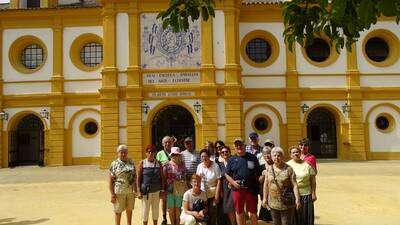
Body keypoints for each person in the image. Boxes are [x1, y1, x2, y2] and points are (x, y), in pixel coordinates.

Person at [225, 138, 261, 225]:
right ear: (234, 147)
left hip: (251, 189)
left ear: (245, 146)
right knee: (239, 211)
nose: (238, 146)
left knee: (253, 212)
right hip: (237, 190)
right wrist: (233, 183)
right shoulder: (231, 159)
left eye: (240, 144)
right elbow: (227, 174)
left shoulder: (252, 157)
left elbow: (259, 172)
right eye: (236, 145)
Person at [263, 147, 301, 225]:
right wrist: (264, 198)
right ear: (272, 157)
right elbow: (266, 184)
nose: (276, 157)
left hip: (286, 203)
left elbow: (294, 185)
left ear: (282, 157)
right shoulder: (269, 169)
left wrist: (297, 199)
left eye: (279, 155)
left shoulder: (289, 169)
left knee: (286, 223)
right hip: (273, 204)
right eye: (274, 155)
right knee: (276, 223)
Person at [287, 146, 317, 225]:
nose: (295, 154)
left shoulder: (307, 165)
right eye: (293, 152)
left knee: (306, 217)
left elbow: (313, 181)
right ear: (290, 155)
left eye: (297, 152)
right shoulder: (287, 165)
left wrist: (313, 193)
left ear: (300, 153)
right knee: (294, 218)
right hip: (292, 195)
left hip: (306, 194)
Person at [109, 145, 137, 225]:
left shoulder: (131, 161)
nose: (123, 154)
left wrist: (136, 190)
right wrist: (112, 194)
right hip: (119, 192)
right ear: (118, 153)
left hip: (130, 191)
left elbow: (135, 176)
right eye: (121, 152)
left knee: (129, 210)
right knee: (118, 211)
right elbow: (111, 181)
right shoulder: (114, 164)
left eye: (125, 152)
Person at [136, 144, 164, 225]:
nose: (151, 153)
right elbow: (138, 178)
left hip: (156, 191)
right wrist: (138, 191)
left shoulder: (158, 163)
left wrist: (162, 190)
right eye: (149, 152)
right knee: (145, 210)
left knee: (155, 210)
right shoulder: (142, 163)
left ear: (155, 153)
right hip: (146, 192)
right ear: (146, 153)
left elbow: (162, 178)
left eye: (152, 152)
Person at [163, 147, 188, 225]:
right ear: (171, 155)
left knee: (178, 208)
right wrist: (163, 190)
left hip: (180, 189)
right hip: (170, 189)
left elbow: (185, 176)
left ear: (179, 155)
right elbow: (163, 178)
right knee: (171, 209)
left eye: (177, 155)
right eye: (173, 154)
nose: (175, 156)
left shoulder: (182, 165)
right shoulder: (166, 164)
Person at [196, 149, 222, 225]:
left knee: (213, 212)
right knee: (204, 212)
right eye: (202, 156)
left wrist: (217, 195)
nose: (204, 158)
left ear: (209, 156)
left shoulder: (215, 165)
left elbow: (219, 181)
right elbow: (197, 180)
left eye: (205, 156)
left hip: (213, 193)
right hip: (203, 193)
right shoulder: (199, 166)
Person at [217, 146, 236, 225]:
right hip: (224, 189)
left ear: (229, 152)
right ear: (220, 154)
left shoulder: (234, 162)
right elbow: (219, 179)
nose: (225, 153)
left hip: (234, 187)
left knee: (235, 208)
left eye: (226, 151)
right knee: (228, 208)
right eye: (222, 152)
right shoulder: (219, 165)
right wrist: (220, 190)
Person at [157, 136, 173, 225]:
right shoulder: (160, 154)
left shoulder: (175, 151)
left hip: (173, 180)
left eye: (169, 142)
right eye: (165, 142)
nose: (167, 144)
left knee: (173, 198)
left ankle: (174, 217)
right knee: (164, 199)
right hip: (164, 181)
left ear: (172, 143)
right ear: (162, 144)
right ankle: (164, 218)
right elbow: (157, 167)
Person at [258, 146, 273, 222]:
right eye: (265, 154)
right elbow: (259, 181)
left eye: (268, 153)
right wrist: (263, 175)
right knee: (265, 215)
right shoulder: (260, 167)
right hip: (263, 193)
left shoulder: (276, 164)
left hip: (274, 192)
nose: (267, 156)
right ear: (263, 156)